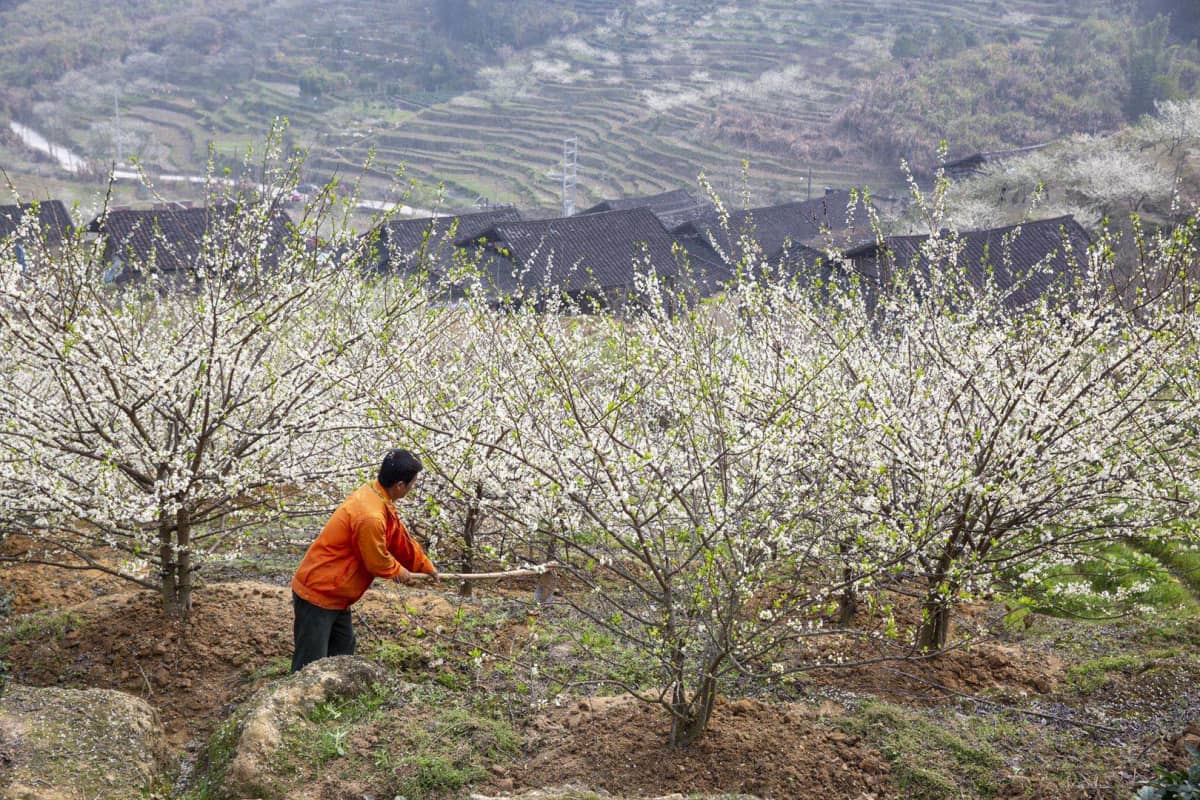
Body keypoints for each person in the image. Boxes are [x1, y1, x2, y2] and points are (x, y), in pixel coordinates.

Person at [291, 448, 439, 671]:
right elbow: (376, 560)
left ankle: (333, 700)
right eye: (413, 483)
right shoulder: (370, 515)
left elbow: (399, 539)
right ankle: (297, 704)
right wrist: (402, 574)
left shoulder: (377, 495)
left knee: (342, 655)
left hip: (337, 593)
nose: (413, 488)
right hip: (319, 593)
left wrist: (425, 566)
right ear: (400, 485)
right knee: (309, 665)